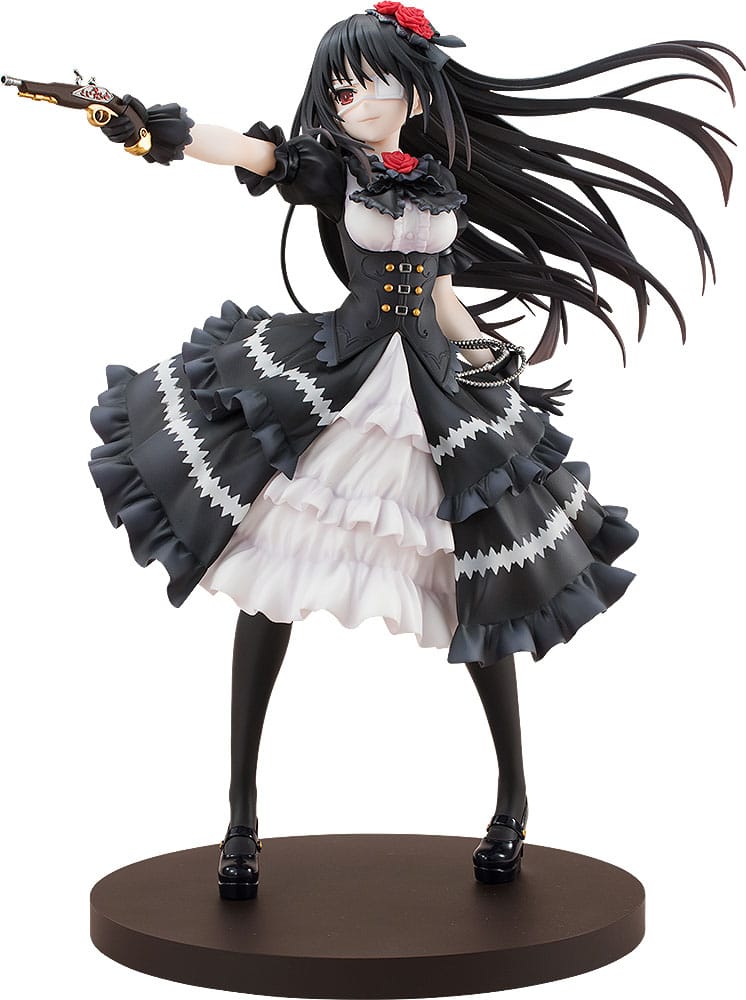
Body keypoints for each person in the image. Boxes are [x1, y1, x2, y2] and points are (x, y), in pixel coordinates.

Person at [82, 4, 739, 899]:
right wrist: (151, 130)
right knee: (273, 577)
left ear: (415, 92)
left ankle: (513, 801)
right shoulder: (332, 168)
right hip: (340, 384)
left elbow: (440, 296)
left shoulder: (435, 183)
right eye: (338, 84)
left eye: (367, 79)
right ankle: (240, 817)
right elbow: (250, 151)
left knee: (481, 587)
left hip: (433, 394)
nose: (350, 97)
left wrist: (486, 353)